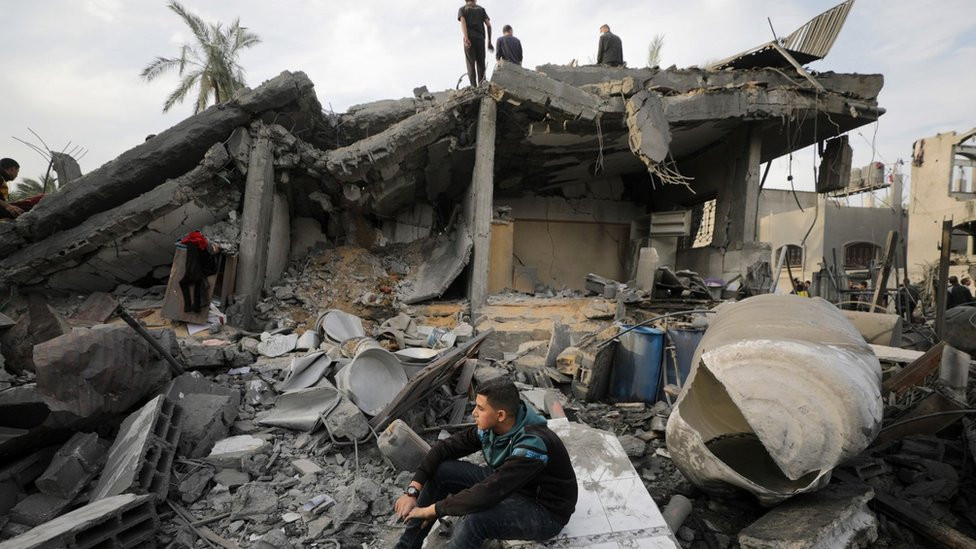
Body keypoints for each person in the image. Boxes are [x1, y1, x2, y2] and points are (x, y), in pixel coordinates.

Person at [393, 377, 577, 548]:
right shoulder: (495, 428)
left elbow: (490, 492)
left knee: (476, 520)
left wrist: (434, 510)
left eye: (480, 408)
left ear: (501, 415)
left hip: (544, 511)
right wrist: (412, 491)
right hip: (512, 486)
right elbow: (444, 448)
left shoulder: (532, 445)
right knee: (443, 471)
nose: (474, 413)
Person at [458, 0, 493, 87]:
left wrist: (466, 38)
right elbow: (488, 25)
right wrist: (489, 42)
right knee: (481, 64)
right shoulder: (481, 9)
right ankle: (481, 86)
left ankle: (473, 87)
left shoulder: (462, 9)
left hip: (469, 38)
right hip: (480, 39)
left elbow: (463, 22)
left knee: (470, 63)